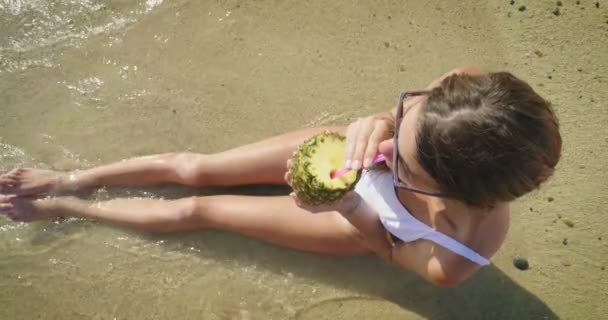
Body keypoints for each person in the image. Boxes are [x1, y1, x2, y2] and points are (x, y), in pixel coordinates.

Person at [0, 65, 561, 287]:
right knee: (192, 166)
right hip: (357, 161)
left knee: (196, 210)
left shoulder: (454, 255)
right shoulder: (471, 94)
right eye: (404, 118)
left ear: (443, 192)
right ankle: (70, 178)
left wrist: (346, 205)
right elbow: (417, 110)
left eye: (400, 162)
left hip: (367, 222)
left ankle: (70, 208)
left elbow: (391, 250)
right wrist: (374, 123)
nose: (382, 151)